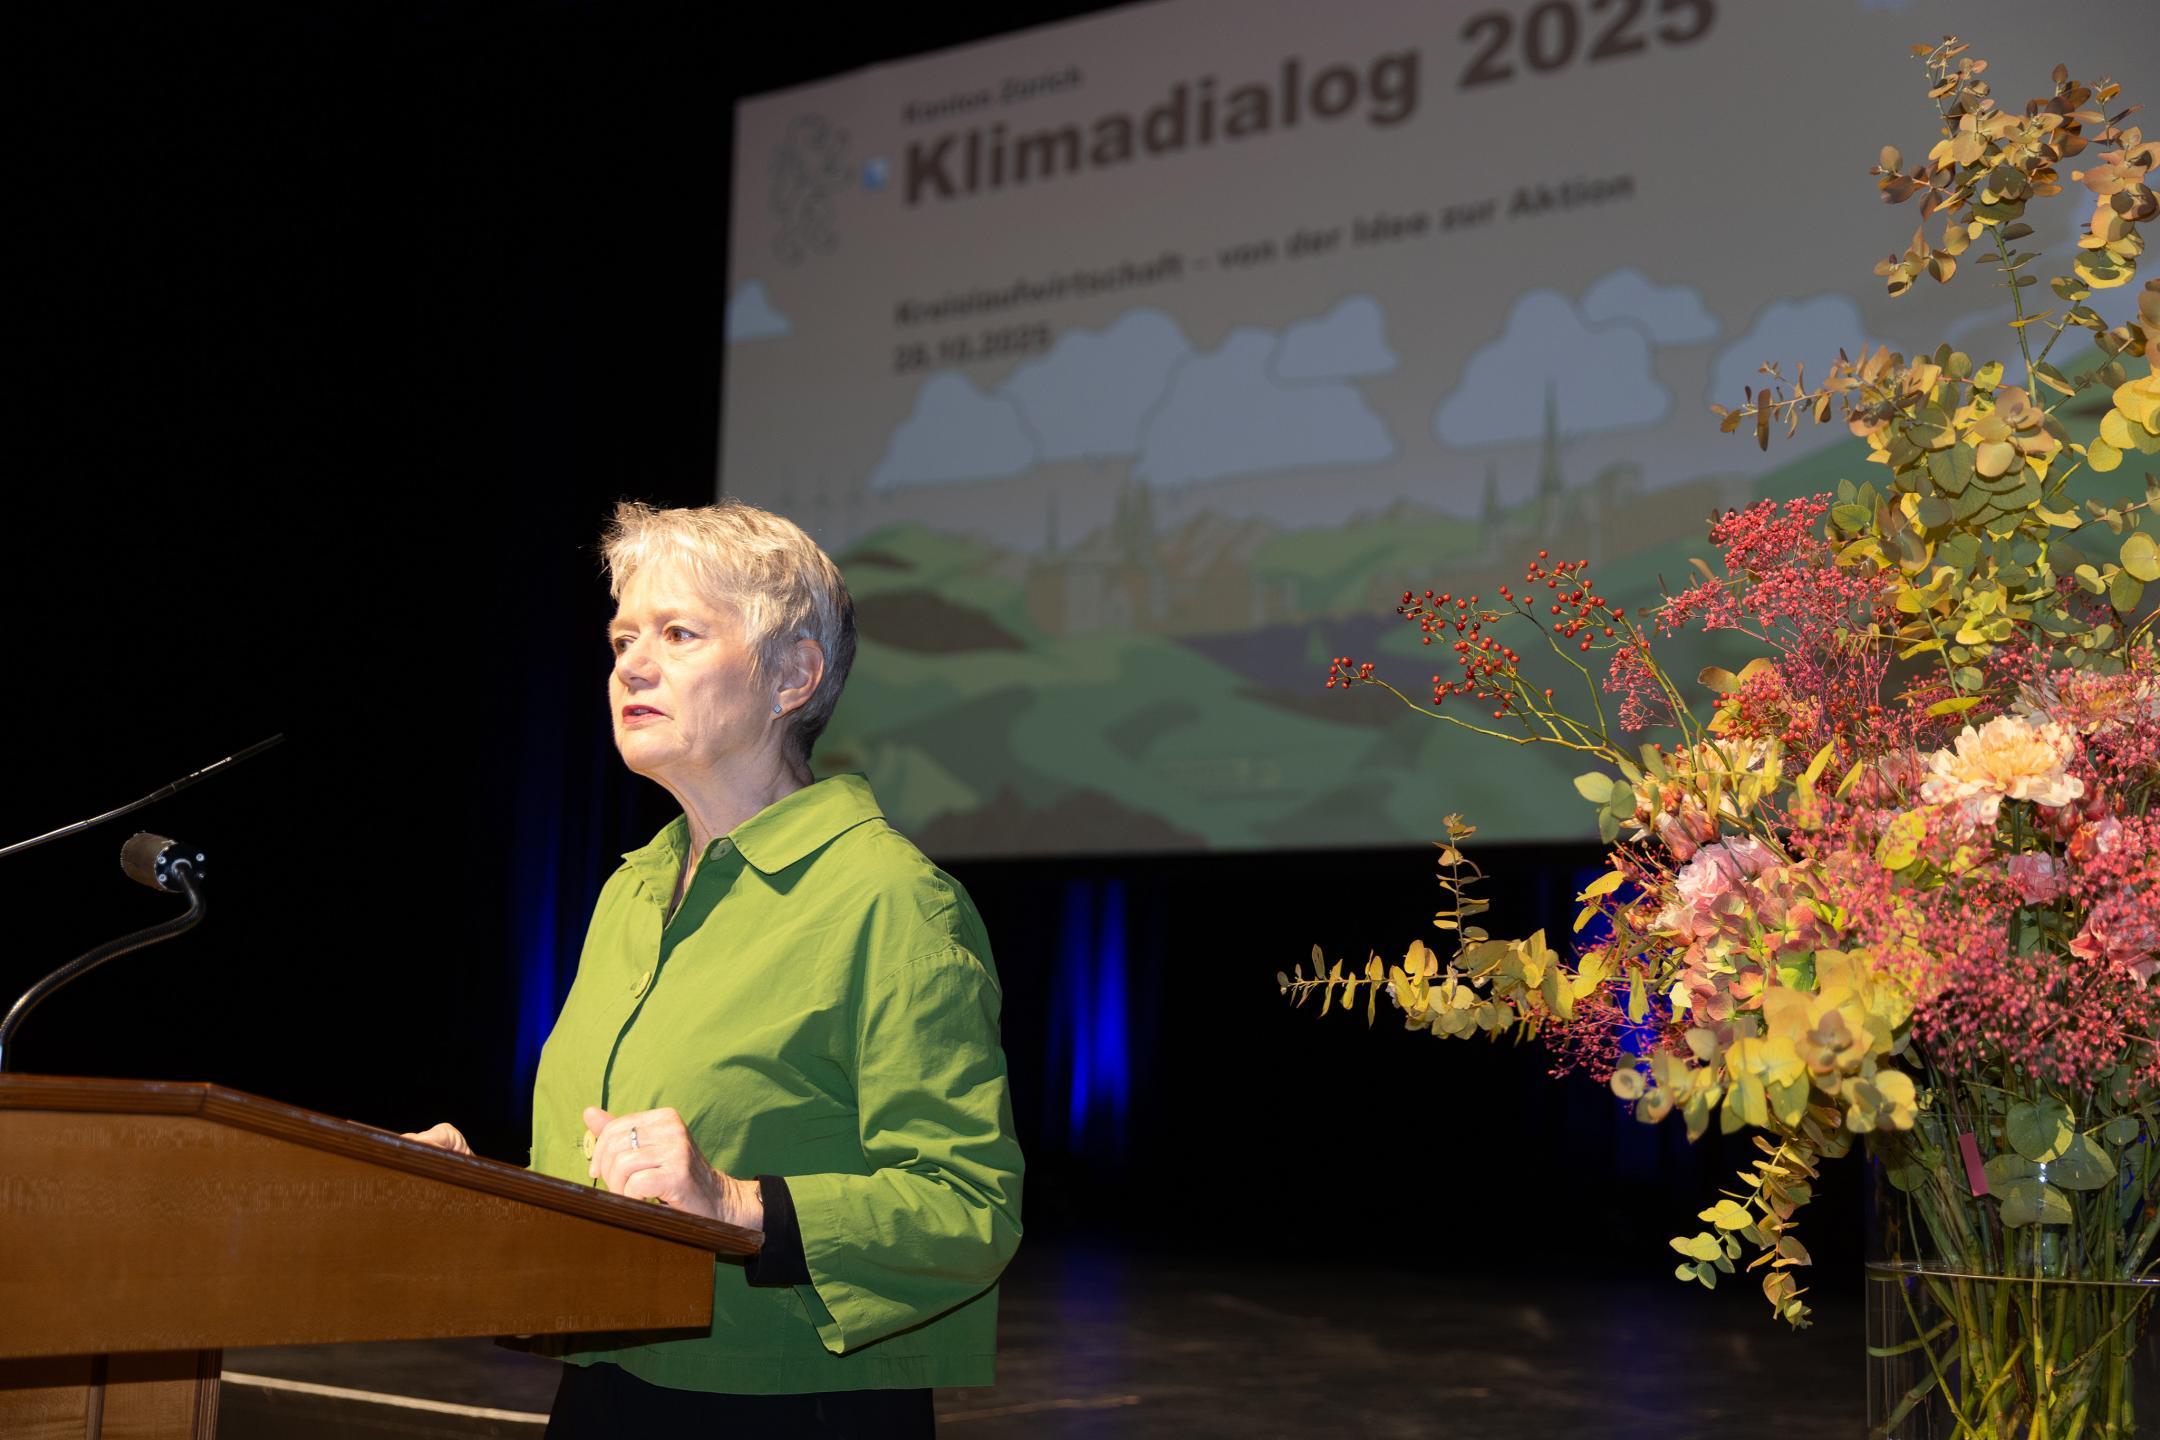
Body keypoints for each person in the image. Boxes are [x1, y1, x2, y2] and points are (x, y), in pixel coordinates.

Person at [407, 499, 1023, 1437]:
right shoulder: (634, 892)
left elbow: (968, 1208)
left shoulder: (890, 900)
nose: (632, 666)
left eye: (678, 633)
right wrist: (480, 1199)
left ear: (793, 676)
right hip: (604, 1389)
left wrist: (740, 1206)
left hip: (785, 1406)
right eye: (621, 639)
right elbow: (613, 1187)